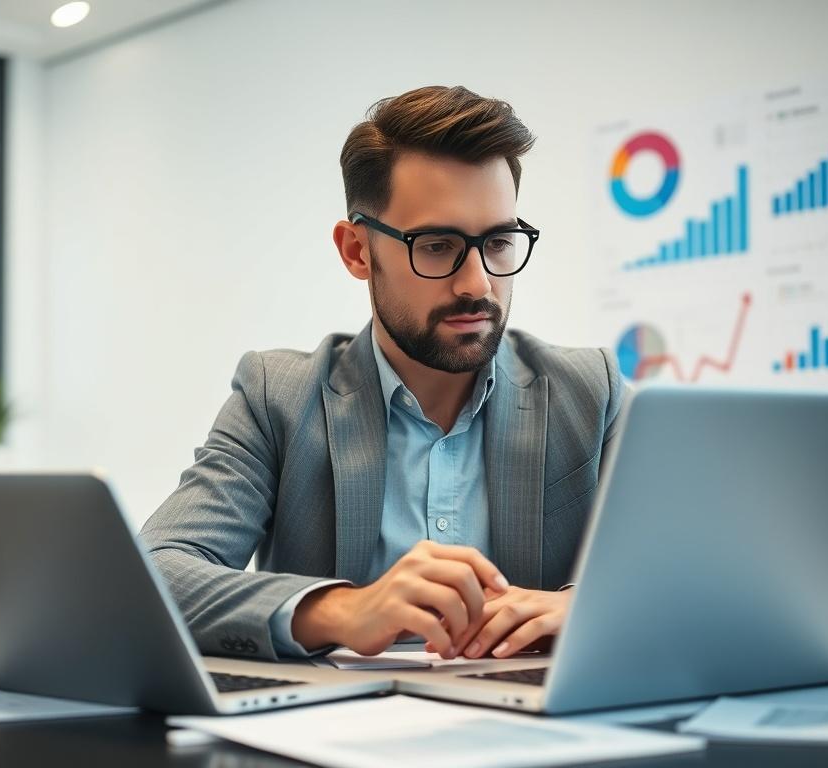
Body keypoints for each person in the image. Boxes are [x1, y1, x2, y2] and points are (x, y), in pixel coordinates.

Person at [140, 85, 625, 663]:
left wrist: (595, 605)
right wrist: (344, 611)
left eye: (497, 242)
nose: (477, 284)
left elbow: (697, 572)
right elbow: (156, 572)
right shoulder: (278, 398)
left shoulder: (590, 390)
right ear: (357, 251)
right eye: (438, 245)